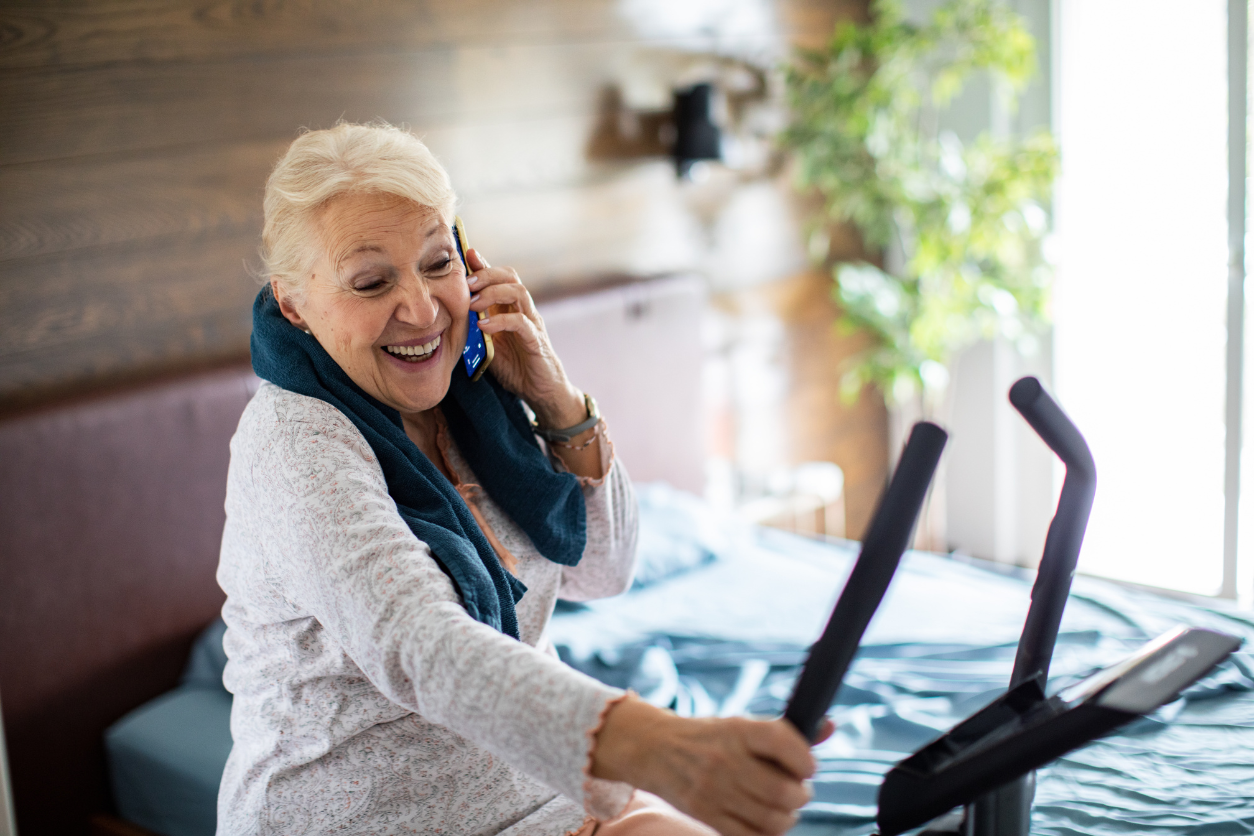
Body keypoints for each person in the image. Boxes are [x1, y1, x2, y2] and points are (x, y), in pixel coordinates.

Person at [216, 121, 824, 836]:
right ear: (295, 304)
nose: (420, 308)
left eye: (438, 263)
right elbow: (423, 645)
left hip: (553, 797)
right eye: (372, 281)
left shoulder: (476, 397)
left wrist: (553, 395)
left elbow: (605, 569)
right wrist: (663, 748)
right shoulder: (294, 444)